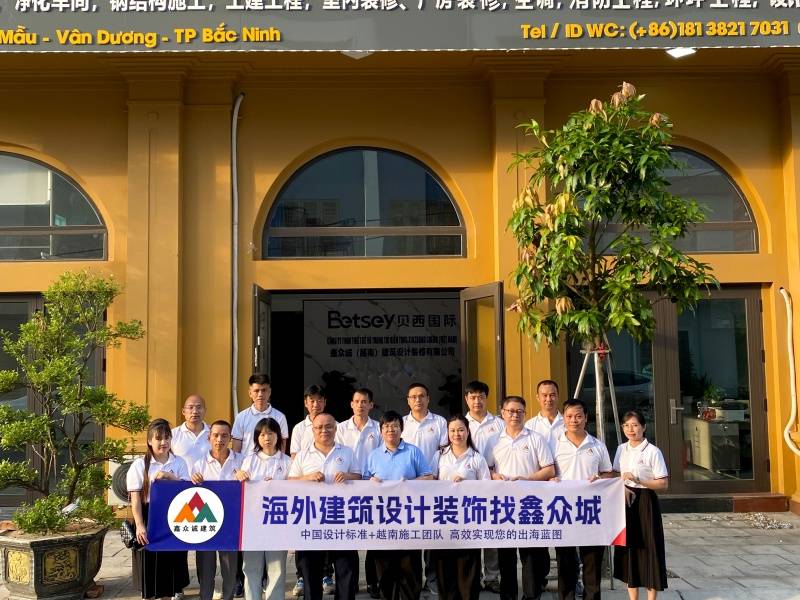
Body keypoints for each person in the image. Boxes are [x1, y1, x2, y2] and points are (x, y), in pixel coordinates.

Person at [289, 412, 362, 600]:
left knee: (345, 568)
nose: (324, 430)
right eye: (319, 427)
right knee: (311, 570)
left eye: (329, 426)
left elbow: (359, 476)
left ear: (336, 429)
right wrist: (307, 478)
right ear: (312, 430)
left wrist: (347, 476)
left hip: (342, 518)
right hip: (311, 519)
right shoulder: (303, 455)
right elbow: (289, 482)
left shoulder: (347, 452)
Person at [488, 396, 555, 600]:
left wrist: (528, 479)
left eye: (519, 411)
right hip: (504, 505)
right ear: (502, 413)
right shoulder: (493, 440)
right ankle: (508, 596)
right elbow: (487, 469)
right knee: (506, 557)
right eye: (510, 411)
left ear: (525, 413)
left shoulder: (535, 438)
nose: (515, 415)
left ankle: (531, 596)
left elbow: (549, 469)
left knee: (531, 556)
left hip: (530, 504)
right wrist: (494, 475)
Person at [363, 410, 434, 600]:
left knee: (409, 568)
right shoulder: (373, 455)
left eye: (395, 426)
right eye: (386, 426)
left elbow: (428, 477)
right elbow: (363, 483)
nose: (391, 430)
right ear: (381, 431)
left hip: (408, 518)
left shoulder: (413, 451)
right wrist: (370, 482)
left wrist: (410, 483)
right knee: (385, 568)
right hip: (381, 519)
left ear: (401, 429)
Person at [552, 399, 613, 600]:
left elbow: (608, 473)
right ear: (563, 418)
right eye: (569, 416)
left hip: (591, 510)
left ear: (586, 418)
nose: (574, 420)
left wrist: (600, 478)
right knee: (565, 560)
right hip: (563, 510)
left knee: (592, 560)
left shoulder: (597, 445)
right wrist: (551, 479)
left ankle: (592, 596)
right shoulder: (554, 444)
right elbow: (546, 471)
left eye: (579, 416)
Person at [127, 418, 191, 600]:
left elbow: (187, 490)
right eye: (158, 438)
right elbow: (136, 498)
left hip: (174, 518)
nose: (163, 442)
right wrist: (140, 525)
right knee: (149, 566)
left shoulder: (179, 463)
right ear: (149, 441)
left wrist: (170, 476)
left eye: (167, 438)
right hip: (149, 517)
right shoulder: (140, 465)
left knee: (170, 568)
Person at [431, 414, 490, 600]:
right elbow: (430, 481)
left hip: (469, 520)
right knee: (444, 568)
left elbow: (487, 489)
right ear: (447, 433)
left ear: (468, 432)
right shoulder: (439, 456)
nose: (457, 434)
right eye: (452, 430)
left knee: (468, 569)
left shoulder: (477, 458)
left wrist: (467, 484)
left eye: (461, 430)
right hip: (443, 518)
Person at [613, 410, 669, 600]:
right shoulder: (621, 449)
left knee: (649, 546)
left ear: (644, 427)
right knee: (629, 547)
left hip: (645, 500)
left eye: (635, 425)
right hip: (625, 499)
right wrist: (620, 485)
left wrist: (638, 479)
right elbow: (616, 473)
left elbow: (663, 483)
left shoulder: (653, 451)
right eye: (626, 425)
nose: (631, 429)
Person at [236, 417, 292, 600]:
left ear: (278, 435)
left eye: (270, 433)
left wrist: (277, 485)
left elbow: (295, 489)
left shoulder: (287, 461)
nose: (266, 438)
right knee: (251, 566)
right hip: (253, 521)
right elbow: (241, 487)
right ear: (257, 438)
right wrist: (240, 476)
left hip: (278, 520)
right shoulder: (249, 460)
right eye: (262, 434)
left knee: (277, 567)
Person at [401, 382, 447, 595]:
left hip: (432, 485)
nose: (418, 400)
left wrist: (435, 476)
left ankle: (433, 578)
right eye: (413, 397)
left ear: (428, 398)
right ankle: (413, 580)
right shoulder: (402, 423)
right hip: (408, 488)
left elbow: (444, 452)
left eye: (422, 396)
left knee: (431, 535)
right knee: (411, 534)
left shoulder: (439, 422)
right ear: (408, 400)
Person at [336, 388, 382, 599]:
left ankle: (373, 581)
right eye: (357, 401)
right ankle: (350, 582)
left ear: (371, 405)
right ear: (351, 404)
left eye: (365, 401)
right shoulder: (340, 428)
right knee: (349, 536)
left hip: (372, 486)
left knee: (373, 536)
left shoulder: (378, 428)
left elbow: (382, 455)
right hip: (346, 486)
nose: (360, 405)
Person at [191, 420, 243, 600]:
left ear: (230, 438)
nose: (219, 439)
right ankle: (205, 596)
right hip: (206, 521)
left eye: (224, 435)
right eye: (215, 435)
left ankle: (228, 596)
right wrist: (193, 480)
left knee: (229, 567)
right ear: (209, 437)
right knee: (205, 566)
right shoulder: (199, 464)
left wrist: (246, 477)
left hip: (231, 521)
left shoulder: (241, 461)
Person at [463, 380, 503, 594]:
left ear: (487, 398)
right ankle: (473, 576)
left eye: (481, 397)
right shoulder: (461, 423)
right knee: (470, 532)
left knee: (490, 532)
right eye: (472, 397)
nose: (477, 401)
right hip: (467, 485)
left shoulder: (499, 423)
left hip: (492, 483)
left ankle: (492, 576)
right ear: (466, 399)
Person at [232, 373, 289, 456]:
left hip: (272, 463)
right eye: (256, 391)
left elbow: (281, 448)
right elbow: (236, 450)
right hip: (246, 463)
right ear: (250, 393)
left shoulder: (280, 417)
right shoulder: (241, 417)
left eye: (264, 390)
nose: (260, 394)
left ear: (269, 392)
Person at [171, 394, 211, 474]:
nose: (195, 411)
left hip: (209, 480)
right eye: (190, 407)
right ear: (183, 411)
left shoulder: (214, 433)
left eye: (199, 407)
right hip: (181, 480)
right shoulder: (173, 434)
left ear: (205, 410)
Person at [524, 380, 565, 452]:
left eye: (552, 395)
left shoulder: (568, 423)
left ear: (558, 396)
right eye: (545, 395)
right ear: (538, 397)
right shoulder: (529, 425)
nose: (548, 399)